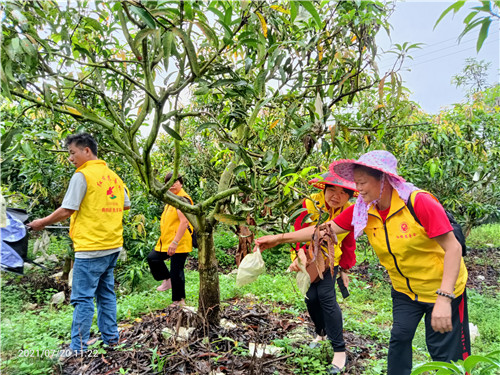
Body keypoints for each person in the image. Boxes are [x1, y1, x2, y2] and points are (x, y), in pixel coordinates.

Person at [255, 150, 470, 375]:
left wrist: (444, 298)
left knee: (446, 354)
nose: (358, 189)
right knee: (399, 340)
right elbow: (324, 230)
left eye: (363, 182)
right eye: (356, 183)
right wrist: (278, 239)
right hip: (405, 291)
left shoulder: (417, 202)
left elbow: (453, 247)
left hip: (443, 289)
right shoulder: (364, 209)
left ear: (384, 180)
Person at [28, 133, 131, 355]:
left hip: (91, 247)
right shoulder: (114, 176)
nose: (70, 158)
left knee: (83, 298)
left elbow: (67, 209)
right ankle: (112, 339)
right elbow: (125, 205)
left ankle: (78, 348)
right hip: (112, 245)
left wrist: (42, 223)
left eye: (72, 153)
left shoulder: (82, 176)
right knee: (106, 294)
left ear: (86, 150)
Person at [291, 171, 358, 374]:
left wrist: (344, 269)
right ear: (324, 189)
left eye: (342, 192)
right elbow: (297, 231)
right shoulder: (309, 205)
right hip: (308, 260)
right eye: (332, 190)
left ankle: (339, 350)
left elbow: (349, 242)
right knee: (311, 298)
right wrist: (298, 254)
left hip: (331, 261)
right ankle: (321, 334)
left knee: (326, 298)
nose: (336, 196)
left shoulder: (349, 212)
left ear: (349, 195)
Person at [147, 173, 193, 306]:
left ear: (181, 183)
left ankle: (179, 301)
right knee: (153, 258)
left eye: (175, 182)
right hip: (167, 241)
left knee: (176, 270)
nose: (172, 185)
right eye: (169, 182)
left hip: (179, 241)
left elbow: (184, 222)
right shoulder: (171, 200)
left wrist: (175, 242)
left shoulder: (182, 199)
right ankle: (167, 280)